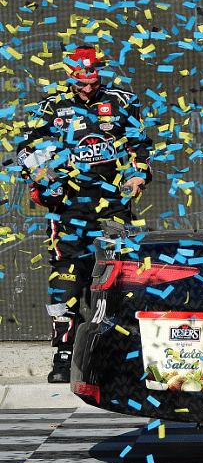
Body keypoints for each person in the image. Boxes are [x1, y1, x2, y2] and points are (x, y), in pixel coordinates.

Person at [16, 46, 153, 383]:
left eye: (93, 82)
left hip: (112, 205)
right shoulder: (51, 106)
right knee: (65, 275)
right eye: (82, 83)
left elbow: (141, 146)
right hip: (68, 206)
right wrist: (41, 175)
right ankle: (63, 353)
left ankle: (122, 354)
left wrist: (138, 174)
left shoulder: (122, 100)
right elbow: (24, 151)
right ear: (70, 75)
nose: (88, 89)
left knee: (120, 275)